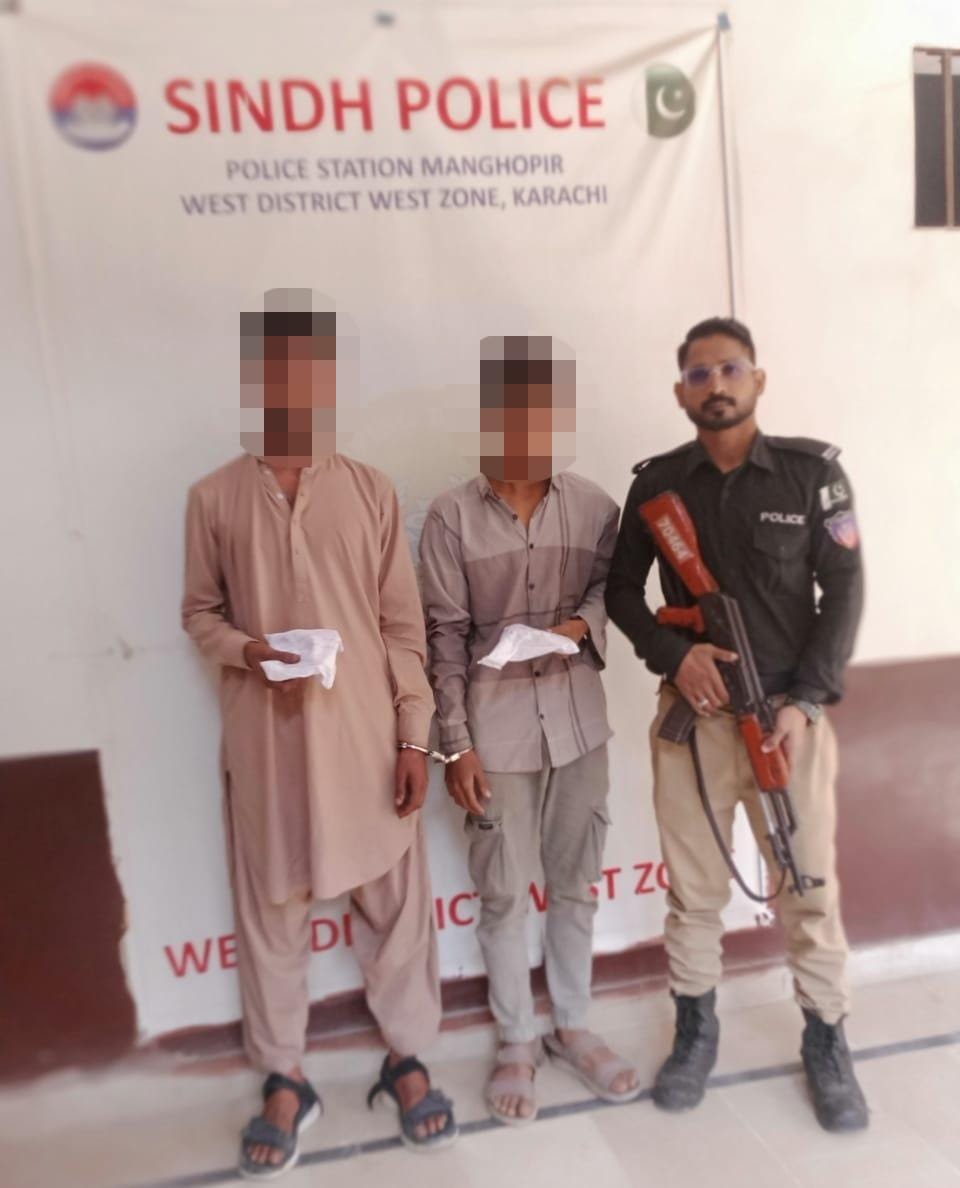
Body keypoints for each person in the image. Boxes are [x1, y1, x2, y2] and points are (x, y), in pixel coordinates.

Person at [181, 290, 457, 1180]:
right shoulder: (214, 497)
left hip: (365, 744)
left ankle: (408, 1060)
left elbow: (402, 628)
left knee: (396, 909)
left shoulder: (370, 490)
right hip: (267, 746)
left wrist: (413, 738)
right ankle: (286, 1080)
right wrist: (247, 651)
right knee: (271, 915)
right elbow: (198, 613)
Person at [605, 315, 868, 1132]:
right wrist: (672, 654)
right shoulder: (657, 486)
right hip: (695, 718)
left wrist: (806, 701)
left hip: (788, 720)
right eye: (698, 374)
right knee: (694, 893)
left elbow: (844, 590)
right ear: (681, 391)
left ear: (757, 379)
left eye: (728, 369)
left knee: (808, 886)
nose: (714, 384)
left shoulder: (810, 476)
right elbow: (620, 593)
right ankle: (695, 1032)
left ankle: (826, 1038)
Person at [419, 335, 639, 1127]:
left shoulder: (596, 507)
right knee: (503, 894)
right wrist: (456, 744)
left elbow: (615, 592)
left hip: (579, 726)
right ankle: (517, 1039)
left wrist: (579, 627)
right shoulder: (450, 518)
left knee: (576, 885)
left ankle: (571, 1027)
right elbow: (443, 638)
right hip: (495, 735)